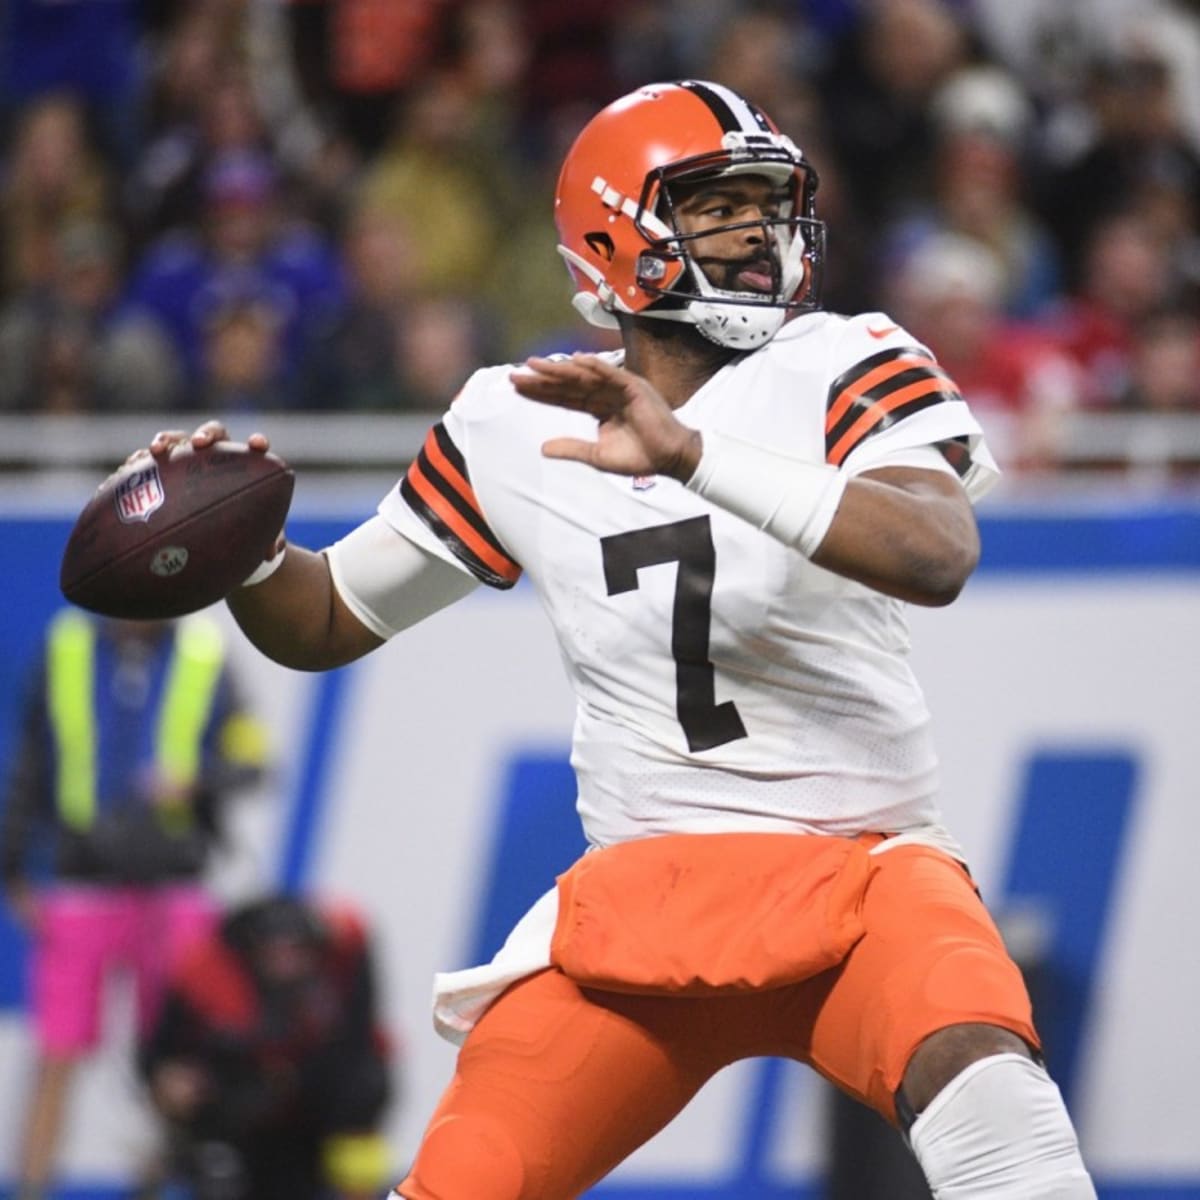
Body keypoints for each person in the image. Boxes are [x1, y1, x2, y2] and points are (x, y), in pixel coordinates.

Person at [143, 80, 1097, 1198]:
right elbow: (326, 619)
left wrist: (691, 454)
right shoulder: (513, 419)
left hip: (862, 880)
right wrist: (243, 547)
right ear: (611, 237)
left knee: (1005, 1125)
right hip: (646, 904)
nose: (756, 233)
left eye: (766, 204)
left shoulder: (843, 357)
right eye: (716, 205)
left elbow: (937, 552)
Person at [0, 610, 270, 1200]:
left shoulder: (204, 650)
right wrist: (13, 869)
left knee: (177, 1062)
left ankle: (151, 1188)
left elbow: (253, 760)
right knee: (57, 1055)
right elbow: (27, 759)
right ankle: (31, 1190)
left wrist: (196, 780)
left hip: (175, 888)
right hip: (81, 885)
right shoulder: (66, 645)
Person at [139, 893, 394, 1200]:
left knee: (362, 1089)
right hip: (239, 1108)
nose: (284, 963)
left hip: (315, 1101)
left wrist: (289, 1081)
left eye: (294, 951)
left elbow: (358, 1040)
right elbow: (157, 1052)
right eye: (272, 952)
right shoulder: (205, 973)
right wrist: (169, 1079)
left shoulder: (345, 956)